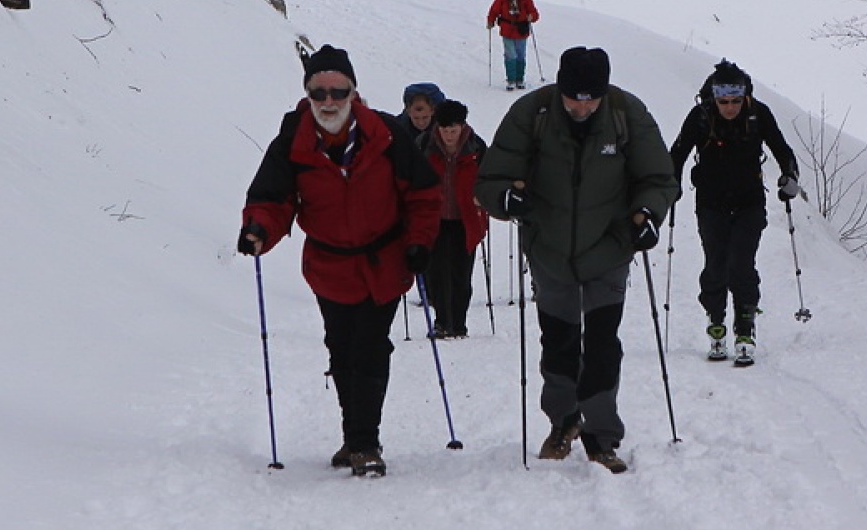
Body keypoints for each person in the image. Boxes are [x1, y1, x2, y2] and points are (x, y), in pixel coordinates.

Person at [237, 45, 441, 478]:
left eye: (338, 90)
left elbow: (423, 195)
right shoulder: (292, 142)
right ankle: (354, 436)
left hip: (384, 262)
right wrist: (258, 228)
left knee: (369, 348)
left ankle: (365, 442)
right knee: (341, 348)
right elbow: (272, 199)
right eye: (319, 91)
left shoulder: (386, 134)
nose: (328, 100)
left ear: (353, 91)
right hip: (329, 267)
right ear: (308, 93)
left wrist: (419, 242)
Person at [476, 46, 679, 473]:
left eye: (591, 97)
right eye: (574, 97)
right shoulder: (533, 113)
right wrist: (506, 199)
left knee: (603, 345)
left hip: (609, 248)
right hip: (549, 250)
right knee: (559, 342)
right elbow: (491, 177)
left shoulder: (626, 113)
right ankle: (563, 421)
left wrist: (648, 215)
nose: (582, 106)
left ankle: (601, 437)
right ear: (560, 89)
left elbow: (659, 177)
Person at [668, 60, 800, 366]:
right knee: (716, 263)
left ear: (745, 97)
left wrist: (789, 177)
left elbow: (784, 151)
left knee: (741, 262)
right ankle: (716, 322)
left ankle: (744, 327)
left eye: (735, 101)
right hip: (710, 202)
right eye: (724, 101)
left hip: (749, 202)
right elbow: (677, 153)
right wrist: (670, 182)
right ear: (714, 97)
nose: (729, 107)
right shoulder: (701, 117)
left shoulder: (758, 114)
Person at [418, 99, 488, 338]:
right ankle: (441, 321)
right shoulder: (425, 145)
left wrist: (485, 199)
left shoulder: (477, 147)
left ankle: (458, 322)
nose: (449, 135)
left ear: (462, 127)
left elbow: (487, 179)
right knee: (436, 273)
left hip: (465, 220)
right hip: (434, 219)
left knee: (461, 272)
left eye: (453, 130)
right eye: (445, 130)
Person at [486, 0, 540, 91]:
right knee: (511, 55)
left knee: (520, 55)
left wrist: (532, 17)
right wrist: (490, 21)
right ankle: (511, 80)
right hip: (507, 30)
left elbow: (534, 13)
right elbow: (494, 11)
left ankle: (519, 79)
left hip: (521, 31)